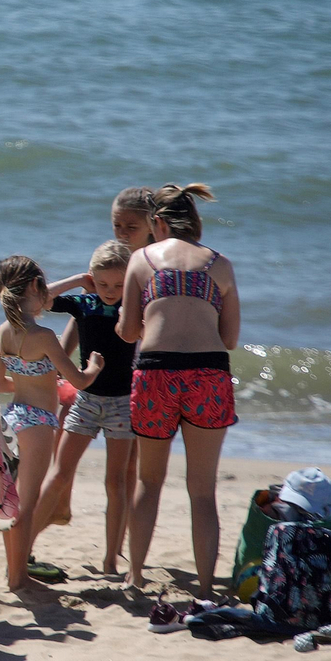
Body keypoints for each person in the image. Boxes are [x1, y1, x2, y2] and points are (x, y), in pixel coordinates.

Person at [116, 184, 240, 600]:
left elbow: (129, 332)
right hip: (209, 374)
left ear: (159, 223)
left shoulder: (142, 260)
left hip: (156, 373)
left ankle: (135, 576)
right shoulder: (221, 265)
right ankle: (205, 589)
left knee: (148, 481)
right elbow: (230, 339)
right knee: (202, 490)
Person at [0, 256, 103, 592]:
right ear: (35, 287)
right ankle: (19, 577)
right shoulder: (44, 335)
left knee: (11, 503)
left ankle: (14, 573)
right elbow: (79, 380)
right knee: (27, 505)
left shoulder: (3, 332)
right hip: (38, 425)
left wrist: (78, 280)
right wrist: (94, 366)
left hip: (13, 417)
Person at [33, 242, 137, 574]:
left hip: (122, 404)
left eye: (119, 284)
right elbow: (40, 299)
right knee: (60, 474)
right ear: (93, 278)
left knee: (115, 482)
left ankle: (110, 560)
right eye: (103, 283)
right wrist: (79, 280)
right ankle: (25, 545)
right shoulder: (85, 304)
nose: (110, 291)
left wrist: (130, 295)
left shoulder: (133, 310)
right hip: (86, 402)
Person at [111, 187, 156, 251]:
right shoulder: (107, 255)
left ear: (151, 226)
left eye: (131, 227)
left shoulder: (164, 256)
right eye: (117, 225)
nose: (122, 234)